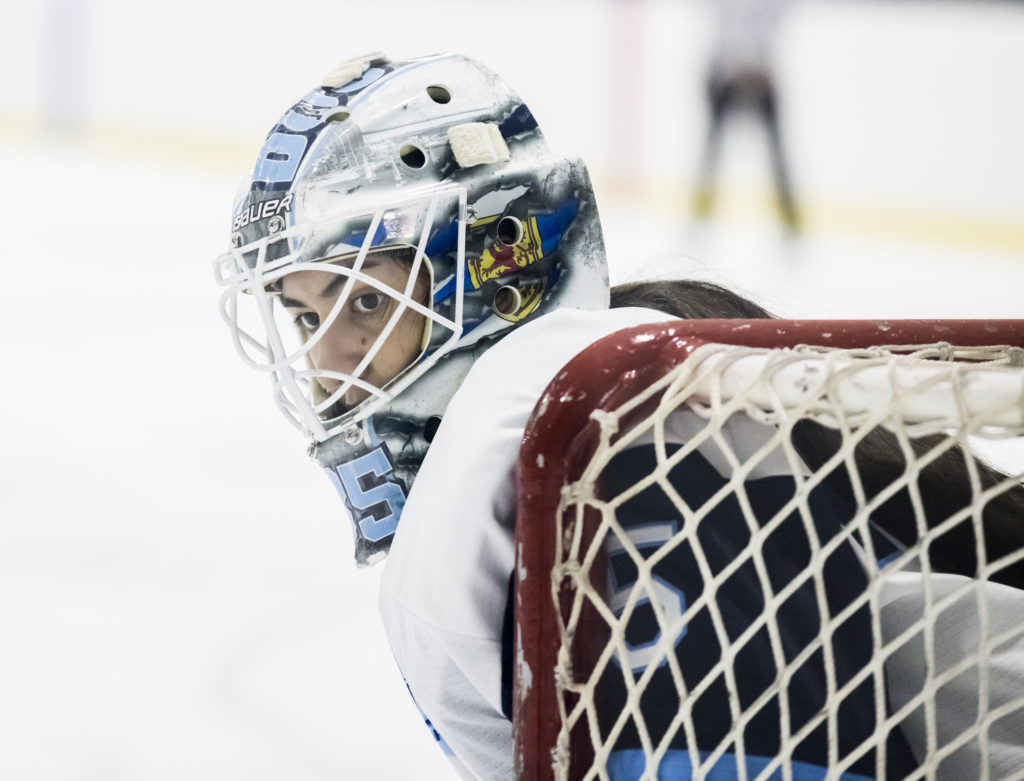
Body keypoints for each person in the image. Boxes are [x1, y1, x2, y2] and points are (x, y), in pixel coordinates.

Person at [215, 53, 1024, 779]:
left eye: (364, 299)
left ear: (493, 268)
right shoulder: (636, 373)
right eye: (304, 318)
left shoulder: (558, 432)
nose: (327, 365)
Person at [693, 0, 800, 231]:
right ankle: (700, 217)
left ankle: (790, 225)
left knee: (777, 157)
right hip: (727, 72)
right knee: (711, 154)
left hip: (759, 74)